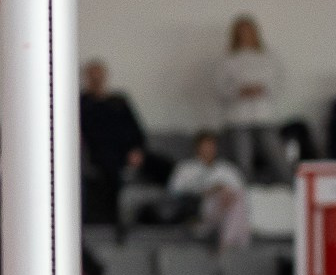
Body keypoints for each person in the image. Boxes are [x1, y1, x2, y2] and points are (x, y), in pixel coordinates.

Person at [79, 59, 154, 227]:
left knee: (162, 165)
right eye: (93, 76)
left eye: (100, 75)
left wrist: (137, 150)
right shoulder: (83, 103)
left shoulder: (119, 100)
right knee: (110, 171)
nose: (97, 80)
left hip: (130, 151)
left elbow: (137, 130)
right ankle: (116, 223)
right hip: (103, 153)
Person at [216, 15, 284, 179]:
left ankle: (292, 192)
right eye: (241, 32)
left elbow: (277, 84)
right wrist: (239, 92)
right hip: (238, 118)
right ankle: (246, 198)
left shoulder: (267, 58)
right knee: (243, 163)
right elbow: (219, 88)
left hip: (263, 115)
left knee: (278, 158)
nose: (245, 36)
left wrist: (261, 89)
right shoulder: (228, 60)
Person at [164, 131, 249, 248]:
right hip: (199, 207)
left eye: (211, 146)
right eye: (205, 146)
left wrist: (223, 191)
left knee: (234, 199)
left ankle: (226, 242)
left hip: (227, 208)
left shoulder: (227, 169)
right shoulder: (186, 168)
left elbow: (240, 191)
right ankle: (228, 243)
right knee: (225, 198)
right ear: (197, 147)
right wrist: (210, 190)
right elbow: (174, 192)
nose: (208, 149)